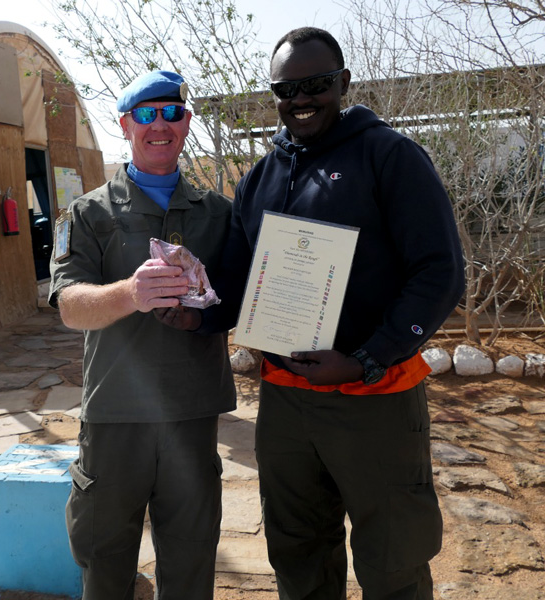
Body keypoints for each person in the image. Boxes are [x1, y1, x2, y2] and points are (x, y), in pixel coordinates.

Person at [204, 27, 464, 600]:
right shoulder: (261, 177)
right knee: (298, 553)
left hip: (375, 399)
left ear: (343, 83)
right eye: (286, 88)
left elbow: (440, 273)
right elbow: (237, 277)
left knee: (392, 560)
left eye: (316, 84)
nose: (301, 99)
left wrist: (366, 359)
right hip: (286, 404)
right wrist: (195, 311)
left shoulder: (389, 156)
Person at [48, 70, 235, 600]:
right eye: (147, 115)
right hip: (116, 418)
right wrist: (130, 293)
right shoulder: (85, 213)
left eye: (172, 114)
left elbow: (249, 295)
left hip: (191, 414)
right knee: (105, 563)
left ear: (187, 123)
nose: (160, 125)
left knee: (191, 561)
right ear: (126, 125)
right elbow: (69, 306)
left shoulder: (218, 215)